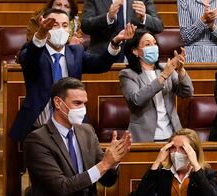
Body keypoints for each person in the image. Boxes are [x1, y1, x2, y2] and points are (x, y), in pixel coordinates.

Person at [21, 77, 132, 196]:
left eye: (84, 103)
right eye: (77, 103)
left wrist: (114, 162)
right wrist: (104, 163)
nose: (82, 109)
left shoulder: (87, 131)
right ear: (58, 103)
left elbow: (107, 179)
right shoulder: (37, 140)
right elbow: (62, 188)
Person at [9, 8, 136, 141]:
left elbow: (100, 64)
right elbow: (30, 58)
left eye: (64, 25)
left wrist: (115, 42)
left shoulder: (76, 52)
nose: (60, 30)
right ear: (44, 27)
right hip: (39, 130)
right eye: (54, 25)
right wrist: (40, 35)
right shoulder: (32, 51)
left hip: (73, 127)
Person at [119, 29, 193, 142]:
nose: (153, 47)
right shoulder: (128, 74)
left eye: (154, 43)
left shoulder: (164, 67)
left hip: (172, 134)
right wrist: (163, 76)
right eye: (148, 44)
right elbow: (136, 100)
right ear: (135, 51)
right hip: (145, 137)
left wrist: (181, 71)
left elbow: (187, 93)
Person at [81, 0, 163, 60]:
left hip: (135, 59)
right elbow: (85, 26)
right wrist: (108, 17)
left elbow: (158, 26)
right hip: (101, 58)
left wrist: (144, 18)